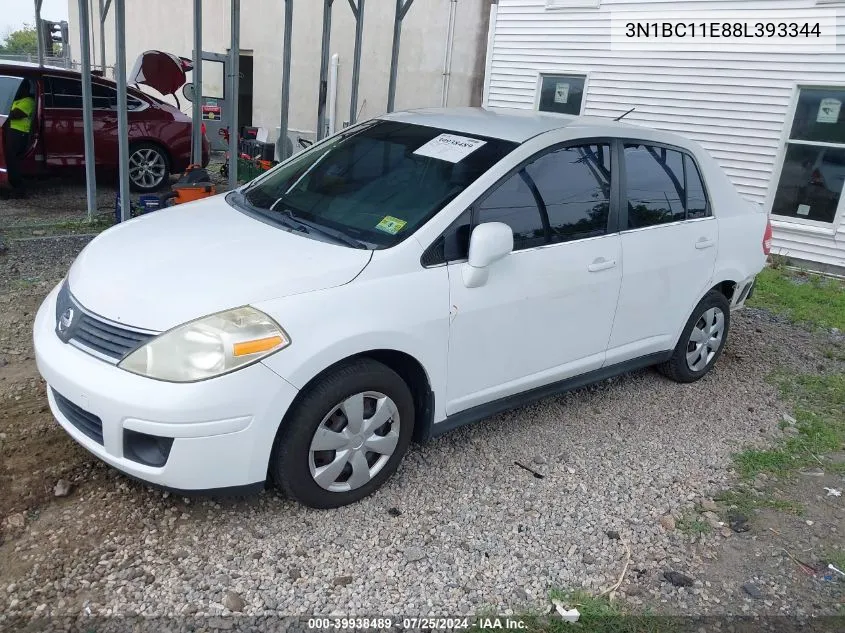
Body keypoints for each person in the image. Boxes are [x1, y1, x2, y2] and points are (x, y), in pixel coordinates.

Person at [4, 81, 36, 197]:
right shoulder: (16, 101)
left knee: (12, 159)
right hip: (11, 132)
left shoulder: (28, 101)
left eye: (19, 88)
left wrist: (5, 110)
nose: (17, 90)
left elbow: (16, 114)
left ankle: (19, 188)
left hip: (20, 133)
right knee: (8, 159)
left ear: (25, 90)